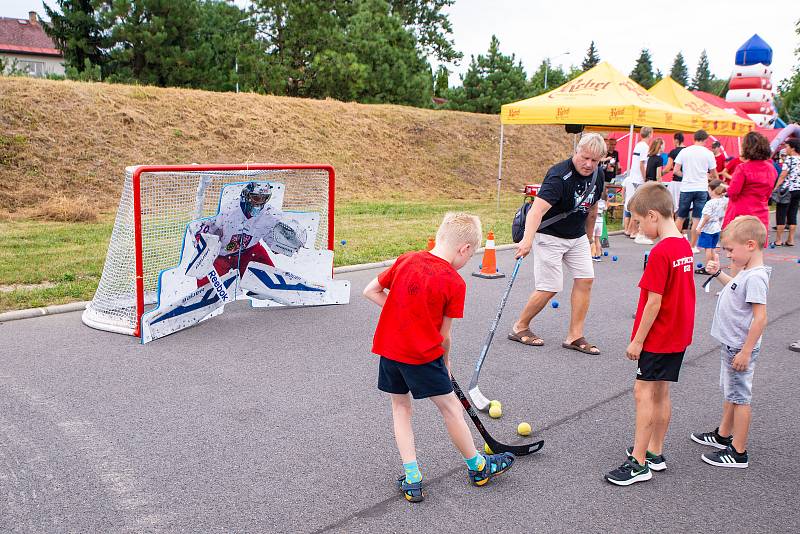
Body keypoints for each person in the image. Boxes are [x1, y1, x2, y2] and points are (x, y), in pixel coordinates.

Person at [363, 212, 515, 503]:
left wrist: (400, 313)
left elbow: (371, 291)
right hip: (422, 355)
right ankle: (478, 466)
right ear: (464, 249)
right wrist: (446, 363)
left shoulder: (406, 259)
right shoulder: (454, 282)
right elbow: (444, 336)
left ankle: (412, 478)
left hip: (390, 350)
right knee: (450, 408)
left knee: (400, 408)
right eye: (469, 257)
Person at [605, 182, 695, 486]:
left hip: (658, 336)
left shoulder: (661, 252)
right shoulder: (683, 244)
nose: (640, 227)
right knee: (661, 391)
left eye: (640, 221)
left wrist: (638, 339)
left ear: (654, 215)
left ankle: (638, 462)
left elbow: (653, 301)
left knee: (643, 392)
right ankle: (655, 451)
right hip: (677, 333)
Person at [509, 133, 605, 355]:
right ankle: (520, 326)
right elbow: (536, 211)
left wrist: (590, 239)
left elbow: (592, 208)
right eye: (585, 158)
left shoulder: (597, 175)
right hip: (550, 235)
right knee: (550, 287)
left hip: (577, 236)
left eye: (595, 160)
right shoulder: (559, 176)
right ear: (576, 152)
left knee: (586, 279)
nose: (589, 164)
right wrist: (527, 241)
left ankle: (575, 335)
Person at [692, 216, 769, 469]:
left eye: (730, 250)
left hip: (739, 347)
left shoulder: (756, 277)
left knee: (740, 398)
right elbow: (735, 288)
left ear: (749, 245)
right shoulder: (745, 272)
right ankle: (723, 435)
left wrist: (746, 352)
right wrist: (719, 275)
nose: (728, 255)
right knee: (731, 393)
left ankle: (738, 452)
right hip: (732, 344)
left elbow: (760, 318)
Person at [722, 132, 775, 248]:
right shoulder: (771, 168)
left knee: (739, 249)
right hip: (761, 212)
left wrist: (727, 190)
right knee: (756, 250)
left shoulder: (743, 168)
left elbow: (733, 192)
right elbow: (769, 193)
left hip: (741, 214)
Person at [675, 130, 719, 253]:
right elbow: (714, 173)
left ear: (694, 138)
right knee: (697, 219)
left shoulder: (684, 151)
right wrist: (710, 177)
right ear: (705, 140)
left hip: (686, 187)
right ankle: (692, 246)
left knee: (681, 217)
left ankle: (673, 241)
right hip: (701, 188)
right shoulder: (708, 153)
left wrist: (686, 175)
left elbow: (676, 170)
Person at [695, 180, 728, 274]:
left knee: (708, 248)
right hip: (717, 227)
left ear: (712, 190)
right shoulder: (724, 200)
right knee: (712, 248)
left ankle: (708, 268)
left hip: (708, 228)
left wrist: (699, 227)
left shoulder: (710, 203)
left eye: (708, 189)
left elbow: (706, 216)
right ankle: (714, 265)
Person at [629, 127, 654, 244]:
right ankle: (639, 233)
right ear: (650, 134)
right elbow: (642, 164)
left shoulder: (638, 145)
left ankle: (632, 230)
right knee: (642, 206)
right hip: (639, 179)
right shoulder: (645, 147)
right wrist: (645, 179)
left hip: (634, 177)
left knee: (636, 205)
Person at [773, 138, 800, 246]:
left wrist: (776, 187)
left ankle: (779, 240)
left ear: (792, 148)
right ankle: (790, 239)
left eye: (787, 146)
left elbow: (783, 175)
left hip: (787, 190)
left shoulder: (790, 159)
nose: (785, 149)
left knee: (781, 213)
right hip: (798, 189)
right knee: (793, 214)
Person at [663, 132, 686, 216]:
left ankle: (672, 226)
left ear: (676, 140)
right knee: (683, 207)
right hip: (686, 183)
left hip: (676, 183)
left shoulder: (674, 152)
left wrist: (659, 174)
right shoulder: (687, 150)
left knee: (673, 207)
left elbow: (668, 168)